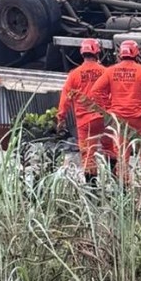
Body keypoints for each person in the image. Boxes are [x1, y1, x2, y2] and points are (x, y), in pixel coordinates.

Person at [91, 39, 141, 183]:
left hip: (120, 121)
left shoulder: (111, 71)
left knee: (122, 155)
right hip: (139, 119)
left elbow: (95, 90)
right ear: (136, 54)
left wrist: (107, 108)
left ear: (120, 54)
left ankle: (124, 190)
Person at [56, 38, 107, 183]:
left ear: (82, 53)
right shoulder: (105, 72)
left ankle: (92, 188)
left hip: (84, 123)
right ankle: (118, 185)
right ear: (97, 52)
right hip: (105, 119)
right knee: (111, 149)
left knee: (88, 154)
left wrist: (61, 119)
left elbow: (65, 99)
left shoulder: (74, 75)